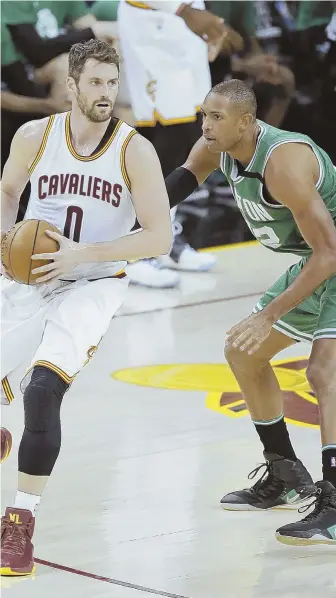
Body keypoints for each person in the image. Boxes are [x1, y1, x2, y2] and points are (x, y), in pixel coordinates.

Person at [0, 38, 172, 576]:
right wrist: (7, 240)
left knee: (43, 390)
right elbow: (7, 192)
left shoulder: (134, 150)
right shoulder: (35, 136)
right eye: (95, 82)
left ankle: (19, 523)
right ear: (71, 85)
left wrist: (84, 256)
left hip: (93, 282)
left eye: (112, 83)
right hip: (31, 280)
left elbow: (160, 237)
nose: (105, 93)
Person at [163, 78, 336, 546]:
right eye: (204, 115)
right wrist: (126, 217)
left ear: (248, 121)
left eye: (217, 117)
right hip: (318, 260)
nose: (206, 125)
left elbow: (329, 254)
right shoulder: (216, 147)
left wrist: (266, 315)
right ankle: (283, 472)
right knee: (243, 354)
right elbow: (179, 183)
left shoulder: (282, 163)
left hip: (331, 256)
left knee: (323, 373)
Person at [117, 0, 243, 287]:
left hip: (181, 24)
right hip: (154, 23)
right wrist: (184, 10)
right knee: (164, 145)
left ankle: (165, 241)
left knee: (190, 137)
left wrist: (206, 17)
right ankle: (132, 252)